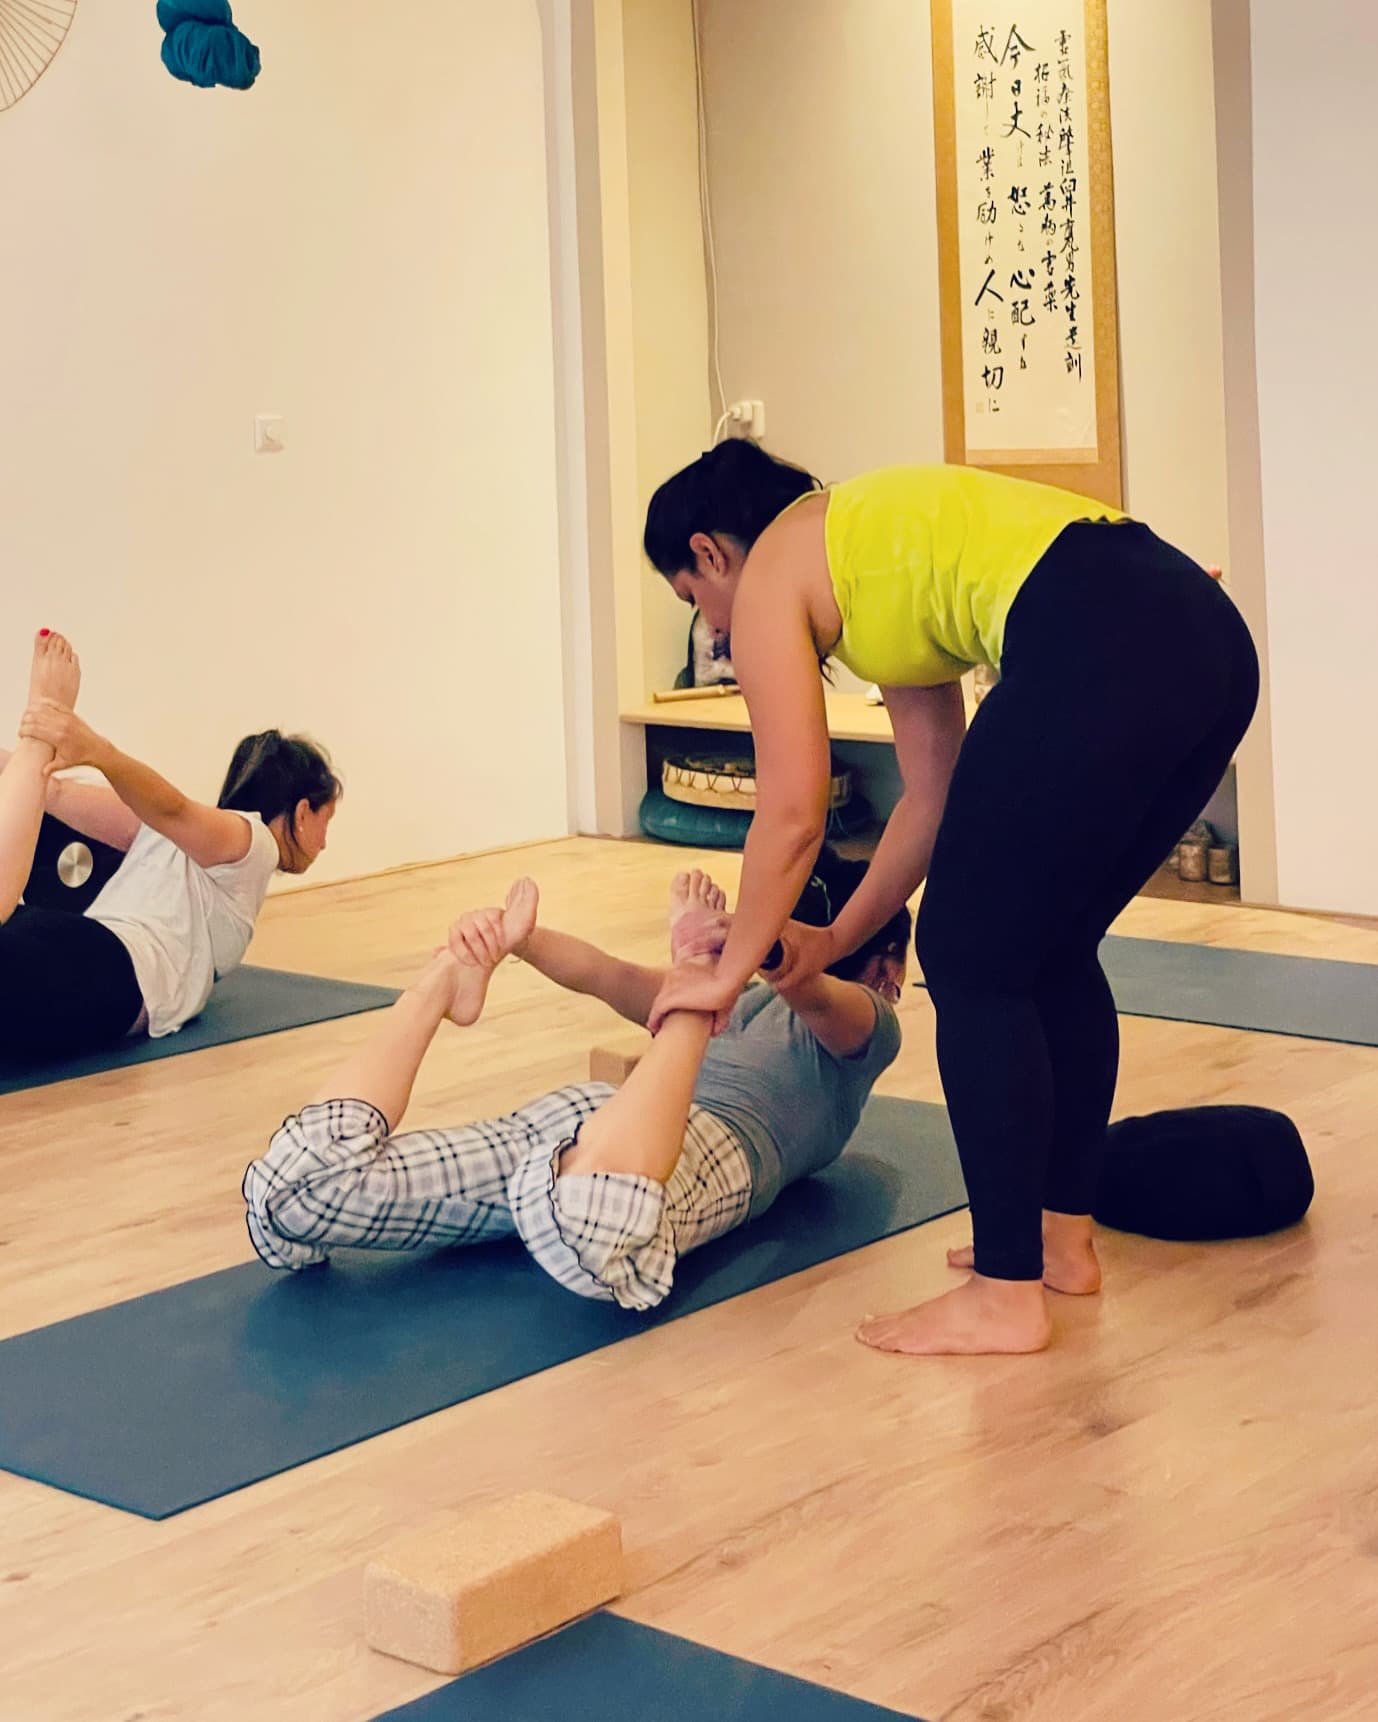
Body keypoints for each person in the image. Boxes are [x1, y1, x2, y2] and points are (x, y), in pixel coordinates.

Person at [641, 444, 1259, 1355]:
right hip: (1203, 637)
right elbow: (931, 797)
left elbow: (792, 813)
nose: (717, 630)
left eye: (695, 598)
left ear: (710, 551)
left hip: (1102, 629)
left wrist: (726, 975)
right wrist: (832, 940)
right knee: (1048, 950)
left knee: (972, 959)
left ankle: (1006, 1295)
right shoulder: (864, 552)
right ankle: (1058, 1244)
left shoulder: (771, 570)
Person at [242, 853, 905, 1311]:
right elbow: (605, 974)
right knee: (297, 1194)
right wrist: (516, 941)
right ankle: (439, 984)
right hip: (627, 1137)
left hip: (643, 1146)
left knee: (591, 1223)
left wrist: (727, 950)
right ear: (890, 966)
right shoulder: (758, 996)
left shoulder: (866, 1025)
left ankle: (684, 995)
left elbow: (812, 989)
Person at [1, 629, 340, 1062]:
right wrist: (81, 745)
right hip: (105, 961)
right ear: (303, 812)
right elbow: (59, 792)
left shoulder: (235, 851)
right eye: (327, 821)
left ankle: (39, 731)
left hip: (97, 964)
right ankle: (39, 730)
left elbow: (166, 809)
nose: (325, 843)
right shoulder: (255, 841)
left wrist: (90, 748)